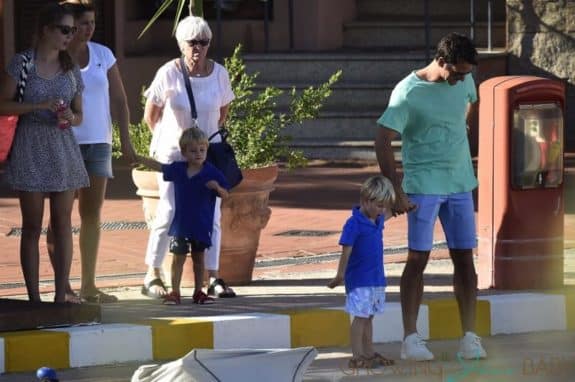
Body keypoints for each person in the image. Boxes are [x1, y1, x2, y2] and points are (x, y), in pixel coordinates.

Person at [374, 32, 487, 361]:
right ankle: (410, 339)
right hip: (423, 185)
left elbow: (471, 100)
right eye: (458, 73)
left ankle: (469, 336)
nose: (463, 80)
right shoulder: (408, 92)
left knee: (464, 258)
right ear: (441, 62)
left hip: (461, 183)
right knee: (418, 259)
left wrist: (462, 127)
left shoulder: (464, 80)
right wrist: (395, 189)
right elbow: (382, 139)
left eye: (467, 74)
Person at [45, 0, 137, 304]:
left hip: (99, 142)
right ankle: (64, 286)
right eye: (83, 23)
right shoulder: (55, 57)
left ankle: (88, 285)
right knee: (60, 217)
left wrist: (126, 140)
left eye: (93, 23)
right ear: (69, 25)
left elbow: (120, 101)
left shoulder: (103, 55)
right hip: (63, 143)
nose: (89, 29)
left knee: (91, 215)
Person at [141, 15, 236, 299]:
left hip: (206, 157)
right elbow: (151, 115)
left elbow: (222, 113)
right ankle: (153, 274)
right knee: (168, 212)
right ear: (181, 44)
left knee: (213, 216)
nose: (198, 48)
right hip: (174, 154)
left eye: (204, 42)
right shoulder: (169, 72)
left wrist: (201, 145)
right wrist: (174, 141)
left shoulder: (219, 73)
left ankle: (213, 277)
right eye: (192, 42)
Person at [0, 3, 88, 303]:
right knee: (32, 225)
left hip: (62, 148)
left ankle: (61, 294)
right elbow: (3, 104)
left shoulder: (71, 67)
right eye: (64, 30)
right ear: (45, 30)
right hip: (29, 147)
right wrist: (38, 106)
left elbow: (80, 115)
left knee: (63, 223)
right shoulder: (21, 63)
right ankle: (34, 298)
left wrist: (69, 118)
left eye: (72, 30)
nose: (69, 36)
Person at [136, 127, 229, 305]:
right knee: (177, 258)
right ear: (184, 152)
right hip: (181, 224)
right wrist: (138, 158)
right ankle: (175, 292)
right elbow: (160, 167)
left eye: (202, 150)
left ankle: (198, 292)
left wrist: (217, 188)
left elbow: (226, 194)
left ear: (207, 150)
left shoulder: (211, 172)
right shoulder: (179, 169)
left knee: (198, 259)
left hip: (201, 225)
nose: (198, 154)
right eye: (193, 150)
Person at [327, 175, 396, 369]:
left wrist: (405, 206)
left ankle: (368, 352)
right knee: (361, 317)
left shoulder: (377, 220)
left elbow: (391, 213)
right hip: (360, 280)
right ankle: (357, 355)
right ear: (366, 201)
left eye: (385, 207)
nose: (383, 211)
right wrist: (339, 275)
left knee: (369, 316)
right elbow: (346, 251)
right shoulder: (354, 223)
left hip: (376, 279)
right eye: (380, 205)